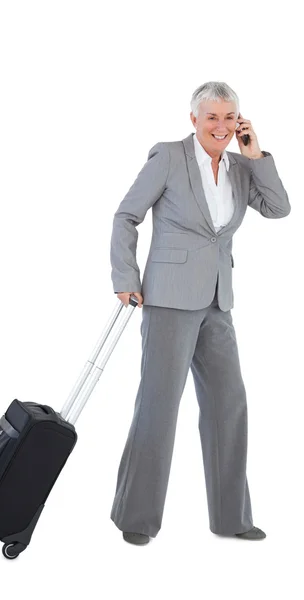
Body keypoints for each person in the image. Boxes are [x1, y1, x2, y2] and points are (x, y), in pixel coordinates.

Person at [109, 81, 291, 545]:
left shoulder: (241, 166)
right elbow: (126, 215)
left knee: (229, 404)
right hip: (168, 299)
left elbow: (279, 208)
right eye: (213, 117)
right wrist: (126, 277)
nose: (223, 127)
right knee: (158, 407)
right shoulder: (169, 157)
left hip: (217, 301)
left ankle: (232, 518)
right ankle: (136, 518)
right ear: (194, 119)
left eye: (231, 118)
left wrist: (256, 155)